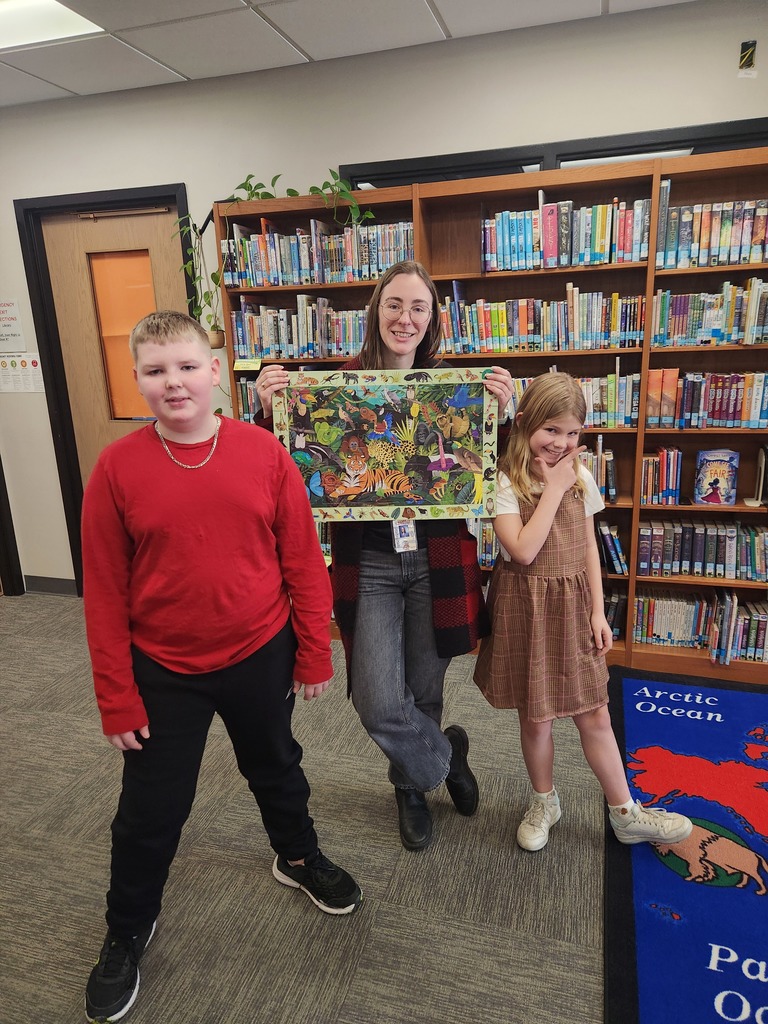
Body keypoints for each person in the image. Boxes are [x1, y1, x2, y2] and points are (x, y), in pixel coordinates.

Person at [81, 311, 361, 1024]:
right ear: (139, 380)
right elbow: (105, 594)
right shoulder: (116, 469)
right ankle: (126, 928)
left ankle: (297, 858)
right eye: (155, 371)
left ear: (215, 372)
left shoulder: (264, 455)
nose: (172, 382)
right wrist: (116, 697)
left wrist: (313, 648)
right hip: (161, 667)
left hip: (258, 650)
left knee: (276, 765)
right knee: (150, 810)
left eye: (186, 366)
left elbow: (302, 558)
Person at [255, 260, 515, 852]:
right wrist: (270, 412)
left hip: (437, 561)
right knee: (376, 700)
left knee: (422, 688)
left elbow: (488, 469)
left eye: (418, 307)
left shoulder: (455, 392)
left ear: (432, 320)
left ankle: (410, 787)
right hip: (367, 563)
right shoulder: (334, 391)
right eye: (394, 305)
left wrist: (502, 414)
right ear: (376, 311)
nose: (405, 317)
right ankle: (446, 758)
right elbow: (288, 470)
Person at [473, 372, 693, 851]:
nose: (562, 443)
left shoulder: (581, 474)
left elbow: (589, 544)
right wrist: (552, 488)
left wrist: (598, 610)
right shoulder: (504, 480)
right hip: (524, 606)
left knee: (594, 712)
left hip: (574, 606)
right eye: (552, 430)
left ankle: (625, 812)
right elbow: (522, 552)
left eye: (573, 433)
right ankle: (544, 800)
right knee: (536, 717)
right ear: (526, 421)